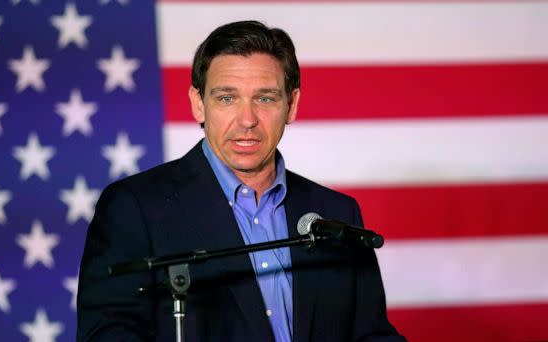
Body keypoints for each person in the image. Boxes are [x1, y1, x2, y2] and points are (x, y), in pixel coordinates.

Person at [77, 20, 405, 342]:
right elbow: (107, 334)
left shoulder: (337, 214)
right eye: (226, 98)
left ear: (291, 105)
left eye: (265, 98)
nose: (247, 120)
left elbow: (370, 334)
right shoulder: (135, 207)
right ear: (198, 103)